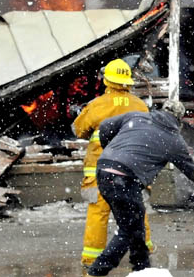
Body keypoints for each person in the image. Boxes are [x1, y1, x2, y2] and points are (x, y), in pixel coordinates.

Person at [86, 100, 194, 276]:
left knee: (136, 225)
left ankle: (142, 268)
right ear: (178, 119)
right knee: (129, 230)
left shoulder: (136, 116)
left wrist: (112, 150)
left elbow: (106, 126)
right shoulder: (173, 139)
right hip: (125, 179)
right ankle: (97, 271)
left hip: (103, 170)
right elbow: (189, 168)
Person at [73, 58, 153, 267]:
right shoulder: (140, 106)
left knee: (98, 213)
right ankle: (144, 249)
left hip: (100, 172)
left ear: (107, 81)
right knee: (136, 210)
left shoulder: (96, 105)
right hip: (131, 171)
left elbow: (78, 130)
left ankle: (92, 258)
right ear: (128, 82)